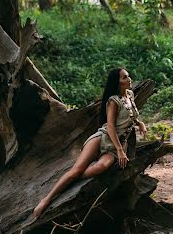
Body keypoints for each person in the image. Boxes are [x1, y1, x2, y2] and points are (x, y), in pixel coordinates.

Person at [33, 67, 147, 218]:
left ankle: (71, 180)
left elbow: (131, 115)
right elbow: (111, 125)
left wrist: (140, 123)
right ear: (117, 82)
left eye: (128, 76)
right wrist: (120, 150)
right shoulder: (113, 101)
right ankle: (46, 199)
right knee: (75, 170)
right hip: (104, 137)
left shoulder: (130, 95)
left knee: (101, 166)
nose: (129, 79)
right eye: (125, 77)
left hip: (117, 143)